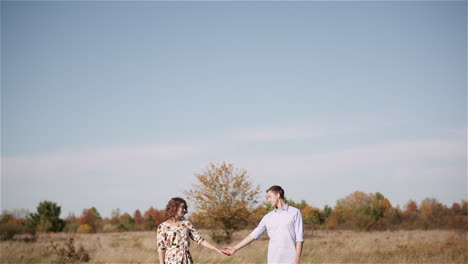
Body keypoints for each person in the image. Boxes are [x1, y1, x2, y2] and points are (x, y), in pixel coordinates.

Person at [222, 185, 304, 264]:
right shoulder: (268, 217)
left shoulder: (295, 213)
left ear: (278, 195)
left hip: (290, 260)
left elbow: (299, 238)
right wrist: (235, 248)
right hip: (273, 260)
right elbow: (253, 235)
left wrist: (297, 259)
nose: (268, 200)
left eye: (269, 197)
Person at [157, 197, 224, 264]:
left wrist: (216, 249)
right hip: (171, 260)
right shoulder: (163, 226)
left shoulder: (186, 224)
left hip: (186, 259)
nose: (184, 210)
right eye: (182, 207)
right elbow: (161, 248)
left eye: (185, 208)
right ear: (174, 207)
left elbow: (199, 239)